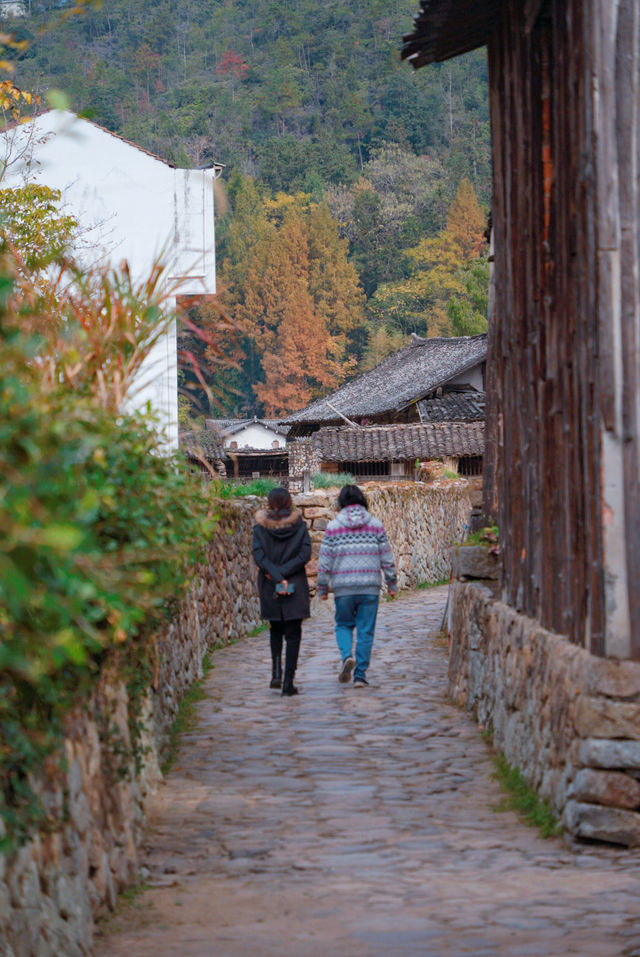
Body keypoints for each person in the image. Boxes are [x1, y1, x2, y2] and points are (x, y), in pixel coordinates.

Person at [317, 484, 397, 687]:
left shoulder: (333, 528)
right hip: (369, 587)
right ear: (362, 501)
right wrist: (391, 583)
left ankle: (347, 656)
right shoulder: (376, 525)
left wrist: (322, 587)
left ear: (341, 502)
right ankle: (360, 676)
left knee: (343, 625)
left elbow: (324, 561)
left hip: (343, 588)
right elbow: (386, 557)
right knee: (365, 631)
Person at [252, 487, 311, 696]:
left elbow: (258, 555)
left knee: (275, 628)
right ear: (289, 502)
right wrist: (285, 575)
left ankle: (276, 673)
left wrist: (276, 576)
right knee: (293, 634)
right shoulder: (299, 527)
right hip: (294, 582)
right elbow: (305, 555)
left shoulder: (259, 529)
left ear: (270, 503)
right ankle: (288, 682)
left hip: (270, 583)